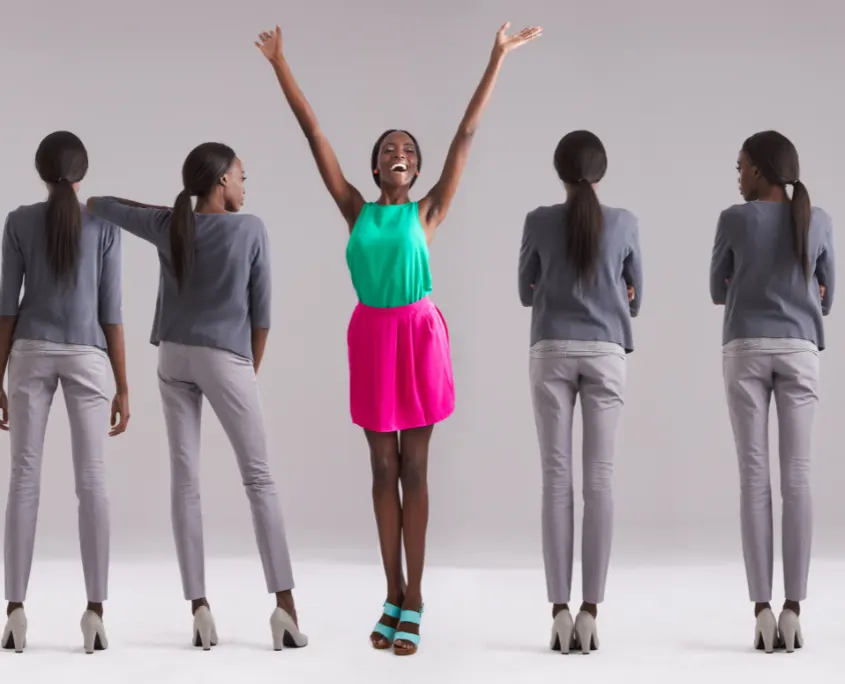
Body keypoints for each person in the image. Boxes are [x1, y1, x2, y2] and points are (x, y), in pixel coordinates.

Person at [255, 20, 541, 655]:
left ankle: (416, 597)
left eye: (407, 148)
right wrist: (280, 63)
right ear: (375, 165)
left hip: (417, 335)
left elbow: (467, 132)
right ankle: (393, 591)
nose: (398, 153)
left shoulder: (428, 211)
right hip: (372, 336)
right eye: (388, 148)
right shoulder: (355, 209)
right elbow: (314, 133)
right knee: (381, 468)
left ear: (417, 167)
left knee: (416, 466)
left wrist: (496, 56)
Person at [86, 142, 307, 652]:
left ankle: (200, 610)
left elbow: (109, 205)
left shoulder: (171, 225)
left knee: (185, 480)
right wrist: (247, 370)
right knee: (259, 478)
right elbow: (263, 313)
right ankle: (286, 607)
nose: (246, 186)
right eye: (242, 176)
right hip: (225, 356)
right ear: (222, 182)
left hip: (173, 357)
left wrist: (87, 200)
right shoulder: (250, 229)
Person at [0, 131, 129, 654]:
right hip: (88, 355)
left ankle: (13, 612)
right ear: (82, 174)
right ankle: (95, 611)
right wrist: (124, 384)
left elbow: (7, 307)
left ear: (40, 171)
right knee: (92, 482)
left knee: (23, 479)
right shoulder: (104, 226)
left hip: (29, 351)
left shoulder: (18, 221)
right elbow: (111, 312)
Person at [710, 130, 834, 654]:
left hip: (746, 349)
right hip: (801, 350)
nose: (737, 176)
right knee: (798, 479)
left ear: (759, 170)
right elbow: (827, 298)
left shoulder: (734, 219)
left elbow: (719, 289)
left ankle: (761, 609)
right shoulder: (819, 219)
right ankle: (795, 610)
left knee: (754, 479)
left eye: (740, 167)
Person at [518, 130, 642, 654]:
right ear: (602, 171)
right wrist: (619, 293)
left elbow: (526, 290)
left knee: (556, 480)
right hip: (607, 353)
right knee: (601, 482)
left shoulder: (539, 221)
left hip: (551, 351)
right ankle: (592, 610)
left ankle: (559, 611)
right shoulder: (625, 222)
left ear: (559, 171)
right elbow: (634, 301)